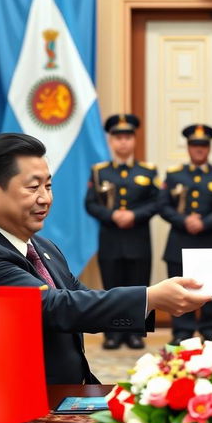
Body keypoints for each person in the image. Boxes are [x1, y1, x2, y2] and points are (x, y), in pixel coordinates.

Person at [0, 133, 211, 385]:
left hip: (67, 392)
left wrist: (150, 302)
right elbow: (54, 308)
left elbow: (81, 299)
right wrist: (150, 297)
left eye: (48, 186)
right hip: (21, 406)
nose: (46, 199)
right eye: (33, 187)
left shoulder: (41, 245)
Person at [85, 114, 159, 350]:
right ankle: (113, 334)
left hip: (138, 240)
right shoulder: (100, 172)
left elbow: (158, 202)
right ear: (111, 141)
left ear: (134, 140)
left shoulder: (148, 172)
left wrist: (134, 215)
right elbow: (90, 203)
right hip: (111, 240)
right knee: (112, 288)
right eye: (118, 137)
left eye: (127, 137)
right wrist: (112, 215)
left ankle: (137, 333)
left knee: (140, 288)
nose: (123, 142)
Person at [158, 124, 212, 344]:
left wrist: (205, 222)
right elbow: (163, 205)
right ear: (188, 147)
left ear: (209, 148)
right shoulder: (173, 175)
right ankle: (182, 331)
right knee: (181, 287)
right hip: (180, 240)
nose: (199, 149)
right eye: (194, 145)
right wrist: (184, 220)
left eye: (203, 145)